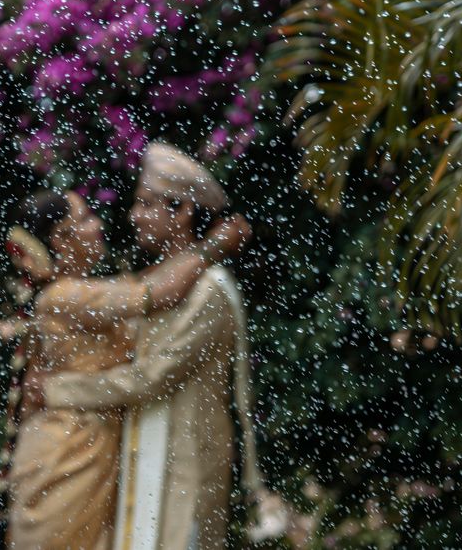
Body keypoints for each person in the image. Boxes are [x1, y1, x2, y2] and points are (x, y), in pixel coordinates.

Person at [28, 142, 282, 550]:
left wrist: (59, 390)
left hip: (186, 465)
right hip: (140, 456)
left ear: (181, 211)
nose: (133, 217)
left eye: (147, 206)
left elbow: (152, 377)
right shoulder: (150, 281)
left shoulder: (209, 291)